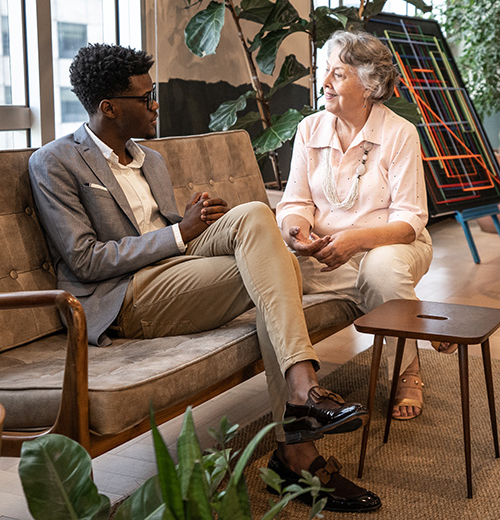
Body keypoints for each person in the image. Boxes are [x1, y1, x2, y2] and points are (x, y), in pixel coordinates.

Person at [28, 42, 381, 514]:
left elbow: (169, 228)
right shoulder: (55, 162)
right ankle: (297, 446)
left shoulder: (150, 159)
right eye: (146, 99)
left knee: (257, 215)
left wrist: (195, 219)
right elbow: (84, 258)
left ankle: (301, 391)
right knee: (277, 268)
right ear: (109, 108)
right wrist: (180, 231)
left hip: (179, 268)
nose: (157, 106)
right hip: (127, 295)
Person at [276, 29, 447, 422]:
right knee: (279, 268)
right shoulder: (310, 129)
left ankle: (408, 370)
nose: (324, 83)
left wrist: (354, 240)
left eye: (338, 74)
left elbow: (410, 220)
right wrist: (298, 233)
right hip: (328, 252)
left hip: (392, 243)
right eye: (325, 71)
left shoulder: (399, 133)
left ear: (370, 85)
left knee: (381, 271)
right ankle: (417, 316)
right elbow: (296, 201)